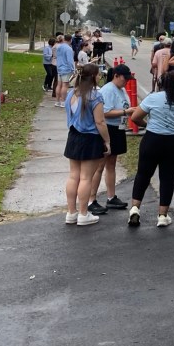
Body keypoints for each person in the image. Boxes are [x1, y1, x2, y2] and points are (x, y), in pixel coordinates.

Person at [126, 70, 174, 227]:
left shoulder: (153, 98)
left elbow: (135, 117)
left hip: (152, 139)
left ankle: (135, 209)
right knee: (167, 178)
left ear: (160, 84)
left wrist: (148, 124)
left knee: (143, 174)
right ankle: (162, 216)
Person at [63, 63, 110, 227]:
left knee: (73, 176)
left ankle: (71, 212)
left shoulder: (72, 93)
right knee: (85, 177)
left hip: (73, 136)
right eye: (98, 74)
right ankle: (83, 214)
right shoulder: (95, 96)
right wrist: (107, 141)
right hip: (90, 138)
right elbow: (100, 121)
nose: (100, 76)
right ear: (93, 77)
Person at [87, 63, 133, 215]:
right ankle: (91, 200)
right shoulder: (108, 90)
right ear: (116, 76)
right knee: (99, 165)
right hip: (108, 128)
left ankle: (111, 196)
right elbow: (104, 113)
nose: (126, 81)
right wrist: (125, 112)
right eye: (124, 79)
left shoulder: (121, 89)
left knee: (111, 163)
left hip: (118, 128)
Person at [55, 34, 75, 108]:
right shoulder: (68, 49)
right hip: (66, 68)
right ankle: (63, 101)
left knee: (59, 85)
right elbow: (70, 60)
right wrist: (73, 69)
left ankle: (57, 101)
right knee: (65, 85)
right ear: (71, 40)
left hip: (59, 68)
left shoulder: (59, 47)